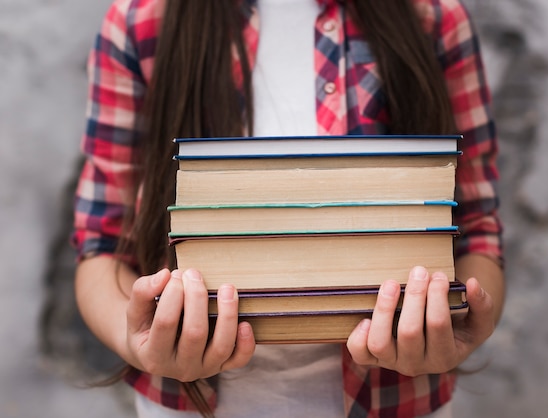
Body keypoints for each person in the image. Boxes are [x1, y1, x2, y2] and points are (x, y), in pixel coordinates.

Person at [72, 0, 504, 417]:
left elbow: (479, 229)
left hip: (399, 401)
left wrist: (465, 325)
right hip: (188, 405)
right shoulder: (140, 21)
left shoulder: (434, 16)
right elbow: (102, 247)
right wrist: (140, 344)